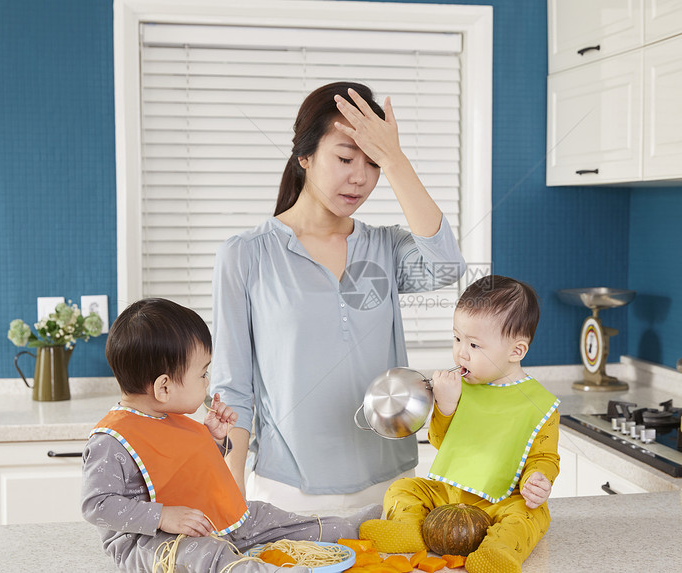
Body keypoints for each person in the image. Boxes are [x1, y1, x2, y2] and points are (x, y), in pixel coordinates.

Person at [210, 81, 466, 511]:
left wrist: (396, 159)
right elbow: (233, 390)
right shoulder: (247, 254)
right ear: (305, 156)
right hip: (289, 492)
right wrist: (230, 501)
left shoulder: (386, 247)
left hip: (394, 486)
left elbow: (447, 266)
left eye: (374, 163)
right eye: (345, 157)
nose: (360, 177)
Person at [81, 298, 380, 573]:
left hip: (206, 518)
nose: (207, 381)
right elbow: (97, 505)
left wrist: (214, 440)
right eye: (202, 374)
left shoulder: (169, 417)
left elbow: (187, 472)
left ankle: (345, 527)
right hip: (149, 542)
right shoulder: (110, 440)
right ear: (164, 387)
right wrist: (162, 517)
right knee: (206, 555)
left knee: (268, 517)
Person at [359, 275, 561, 573]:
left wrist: (539, 479)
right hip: (447, 496)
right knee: (404, 487)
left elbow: (545, 457)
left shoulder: (541, 405)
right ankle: (408, 530)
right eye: (457, 339)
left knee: (532, 515)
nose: (461, 353)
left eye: (474, 345)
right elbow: (441, 441)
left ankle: (498, 551)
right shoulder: (460, 387)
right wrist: (446, 405)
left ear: (516, 351)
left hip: (501, 501)